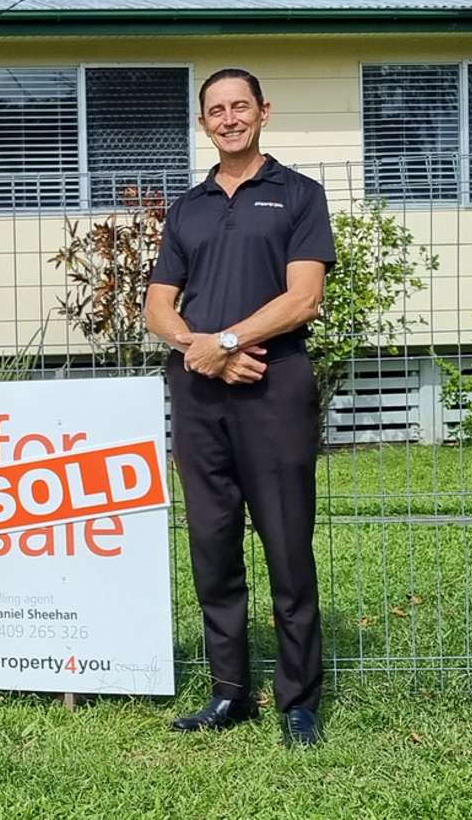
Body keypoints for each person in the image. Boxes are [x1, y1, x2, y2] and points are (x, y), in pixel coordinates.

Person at [144, 68, 336, 747]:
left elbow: (302, 298)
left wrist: (226, 341)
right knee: (213, 547)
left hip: (273, 386)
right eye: (216, 110)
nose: (229, 118)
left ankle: (298, 701)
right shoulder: (188, 207)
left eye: (240, 106)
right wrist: (201, 349)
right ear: (203, 124)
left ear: (263, 112)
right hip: (199, 396)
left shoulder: (298, 195)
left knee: (287, 546)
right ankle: (230, 693)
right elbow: (157, 305)